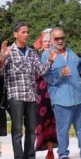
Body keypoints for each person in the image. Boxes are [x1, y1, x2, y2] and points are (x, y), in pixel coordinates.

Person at [0, 22, 57, 159]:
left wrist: (49, 61)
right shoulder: (8, 52)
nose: (26, 35)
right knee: (17, 131)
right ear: (15, 34)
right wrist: (2, 59)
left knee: (32, 130)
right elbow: (1, 72)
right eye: (23, 32)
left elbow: (41, 71)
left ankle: (30, 156)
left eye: (27, 32)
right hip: (16, 97)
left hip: (31, 96)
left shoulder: (31, 53)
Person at [41, 27, 81, 159]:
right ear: (51, 39)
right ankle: (63, 154)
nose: (61, 41)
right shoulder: (47, 55)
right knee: (62, 130)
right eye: (57, 38)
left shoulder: (71, 52)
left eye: (62, 38)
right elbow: (46, 76)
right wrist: (60, 74)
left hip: (78, 97)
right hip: (61, 100)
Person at [33, 29, 58, 159]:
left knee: (54, 122)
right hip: (40, 94)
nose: (47, 43)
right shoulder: (36, 56)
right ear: (41, 42)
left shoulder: (56, 55)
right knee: (42, 122)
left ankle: (51, 151)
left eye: (49, 41)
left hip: (53, 91)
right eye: (45, 41)